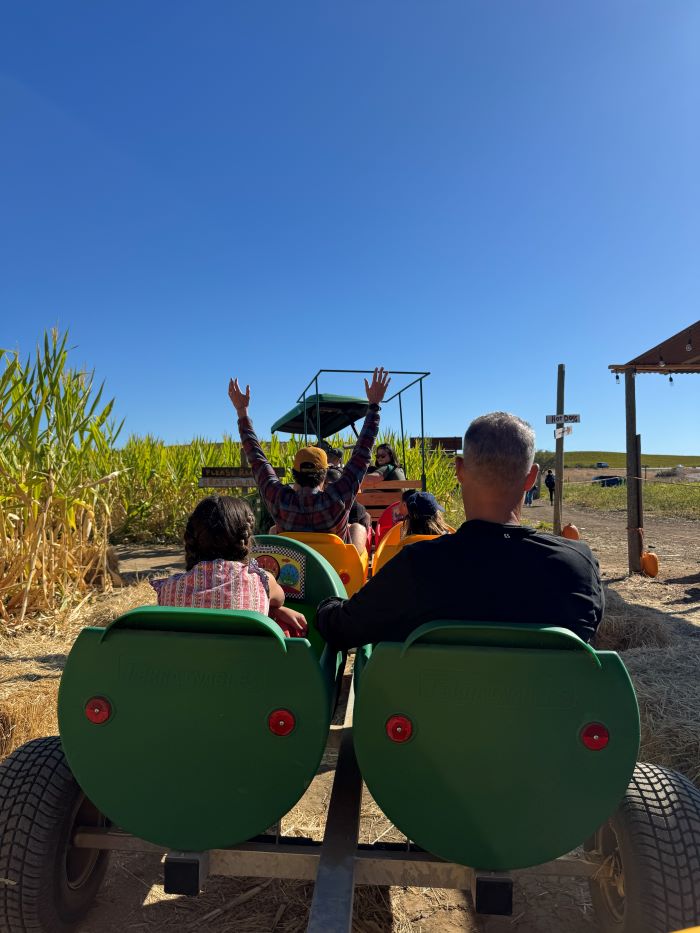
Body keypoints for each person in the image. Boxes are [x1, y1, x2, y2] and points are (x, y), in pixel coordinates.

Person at [316, 412, 604, 649]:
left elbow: (341, 629)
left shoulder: (416, 567)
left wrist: (326, 604)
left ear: (460, 470)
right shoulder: (578, 566)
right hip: (543, 719)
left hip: (431, 717)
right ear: (531, 477)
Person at [228, 368, 390, 544]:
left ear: (294, 473)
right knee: (357, 529)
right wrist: (374, 406)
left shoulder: (279, 500)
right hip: (334, 570)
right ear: (324, 475)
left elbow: (256, 459)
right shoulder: (337, 499)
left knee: (274, 530)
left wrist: (242, 412)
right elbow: (362, 455)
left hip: (294, 570)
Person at [151, 496, 307, 637]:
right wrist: (275, 610)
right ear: (245, 538)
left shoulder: (168, 588)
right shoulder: (262, 581)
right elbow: (279, 599)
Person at [324, 466, 371, 553]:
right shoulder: (318, 503)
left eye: (335, 486)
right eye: (326, 485)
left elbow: (352, 535)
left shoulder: (355, 507)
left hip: (342, 548)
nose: (332, 490)